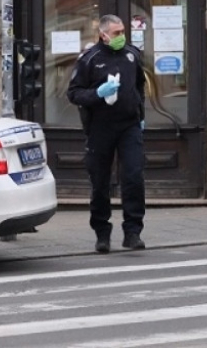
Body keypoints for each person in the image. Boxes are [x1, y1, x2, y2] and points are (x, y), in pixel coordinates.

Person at [66, 14, 147, 253]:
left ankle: (133, 232)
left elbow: (140, 85)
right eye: (116, 33)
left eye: (123, 32)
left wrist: (140, 113)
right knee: (100, 182)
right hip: (100, 128)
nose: (121, 37)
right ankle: (102, 233)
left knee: (133, 176)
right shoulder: (90, 59)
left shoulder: (132, 55)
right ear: (103, 35)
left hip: (129, 126)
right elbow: (74, 93)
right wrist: (97, 94)